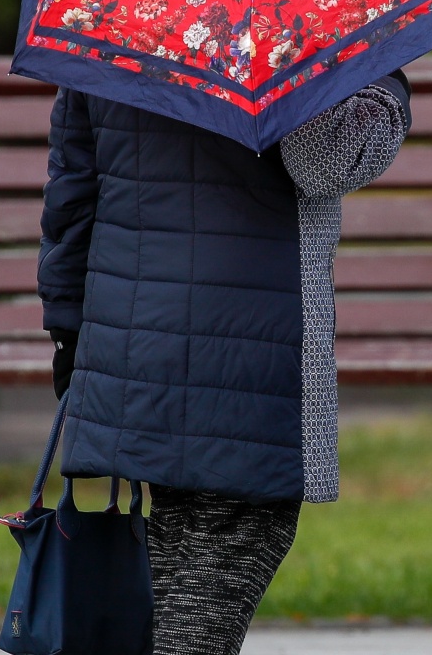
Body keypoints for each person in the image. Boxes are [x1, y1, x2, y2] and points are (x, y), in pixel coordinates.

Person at [37, 75, 411, 655]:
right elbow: (322, 162)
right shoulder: (294, 9)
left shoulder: (115, 9)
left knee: (185, 557)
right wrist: (378, 80)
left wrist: (69, 333)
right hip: (248, 349)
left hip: (136, 343)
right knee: (229, 548)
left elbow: (72, 188)